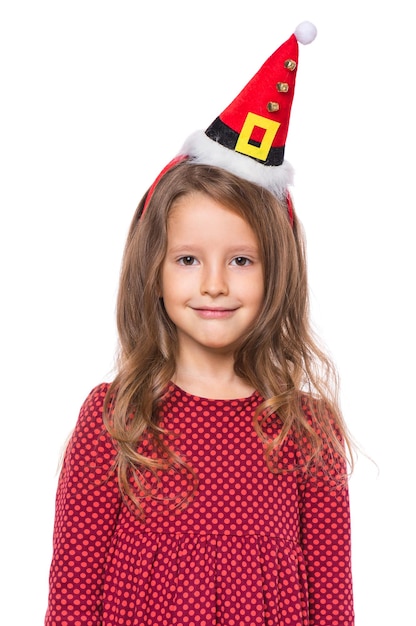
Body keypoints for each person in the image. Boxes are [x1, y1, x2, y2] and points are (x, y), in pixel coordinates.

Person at [45, 22, 355, 625]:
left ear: (276, 272)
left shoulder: (306, 431)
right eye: (189, 259)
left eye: (241, 260)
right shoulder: (118, 420)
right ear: (154, 269)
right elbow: (72, 597)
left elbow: (334, 606)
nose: (214, 282)